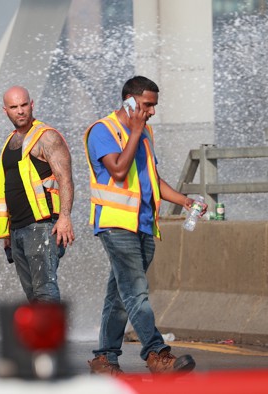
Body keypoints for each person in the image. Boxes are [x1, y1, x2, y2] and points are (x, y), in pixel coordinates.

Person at [84, 76, 203, 375]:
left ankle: (104, 359)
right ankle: (157, 354)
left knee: (120, 295)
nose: (151, 112)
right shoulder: (103, 131)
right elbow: (120, 171)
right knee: (136, 292)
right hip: (116, 224)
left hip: (144, 224)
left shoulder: (145, 132)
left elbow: (152, 178)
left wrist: (184, 200)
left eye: (154, 106)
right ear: (129, 100)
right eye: (148, 104)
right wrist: (135, 131)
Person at [0, 86, 74, 302]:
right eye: (14, 107)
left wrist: (65, 217)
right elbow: (7, 188)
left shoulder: (46, 136)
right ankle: (43, 337)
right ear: (6, 111)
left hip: (41, 226)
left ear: (32, 105)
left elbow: (65, 178)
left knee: (45, 291)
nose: (20, 111)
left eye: (23, 105)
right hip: (18, 230)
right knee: (33, 296)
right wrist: (7, 233)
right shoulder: (10, 141)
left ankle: (53, 337)